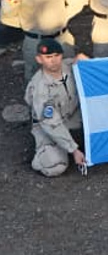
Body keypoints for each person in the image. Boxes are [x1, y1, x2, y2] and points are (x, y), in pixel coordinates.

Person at [24, 39, 87, 177]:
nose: (53, 61)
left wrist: (88, 61)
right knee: (55, 165)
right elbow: (50, 122)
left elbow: (96, 70)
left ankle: (75, 140)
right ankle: (42, 155)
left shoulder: (69, 66)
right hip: (49, 125)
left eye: (56, 55)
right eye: (48, 57)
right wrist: (74, 150)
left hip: (73, 116)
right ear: (39, 59)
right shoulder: (40, 87)